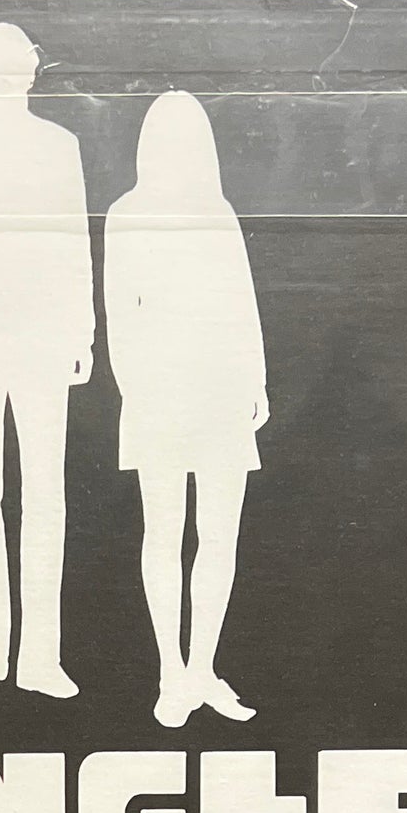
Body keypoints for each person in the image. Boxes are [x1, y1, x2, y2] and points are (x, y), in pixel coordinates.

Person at [103, 90, 268, 729]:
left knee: (220, 535)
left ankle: (203, 668)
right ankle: (170, 672)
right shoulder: (126, 213)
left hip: (221, 387)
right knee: (165, 533)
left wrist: (255, 379)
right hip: (160, 390)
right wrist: (138, 389)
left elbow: (242, 301)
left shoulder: (217, 211)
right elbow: (120, 312)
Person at [0, 21, 93, 698]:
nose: (7, 80)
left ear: (33, 75)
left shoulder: (59, 145)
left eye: (17, 68)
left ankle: (40, 658)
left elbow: (73, 239)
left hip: (41, 338)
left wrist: (81, 331)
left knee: (44, 496)